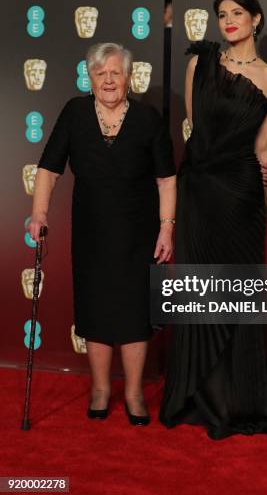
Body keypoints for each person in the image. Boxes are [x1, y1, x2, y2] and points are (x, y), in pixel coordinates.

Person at [160, 0, 267, 439]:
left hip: (242, 196)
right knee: (198, 291)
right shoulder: (201, 63)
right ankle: (194, 395)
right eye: (221, 15)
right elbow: (195, 130)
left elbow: (265, 148)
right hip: (199, 191)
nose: (228, 21)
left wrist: (264, 207)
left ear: (256, 19)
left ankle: (238, 401)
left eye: (237, 13)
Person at [28, 43, 176, 425]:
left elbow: (166, 180)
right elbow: (47, 169)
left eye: (116, 72)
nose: (108, 79)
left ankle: (133, 393)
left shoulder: (147, 119)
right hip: (91, 232)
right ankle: (100, 389)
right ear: (89, 77)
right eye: (100, 73)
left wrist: (166, 228)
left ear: (129, 77)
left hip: (138, 232)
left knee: (134, 311)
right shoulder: (75, 113)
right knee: (94, 308)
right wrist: (38, 213)